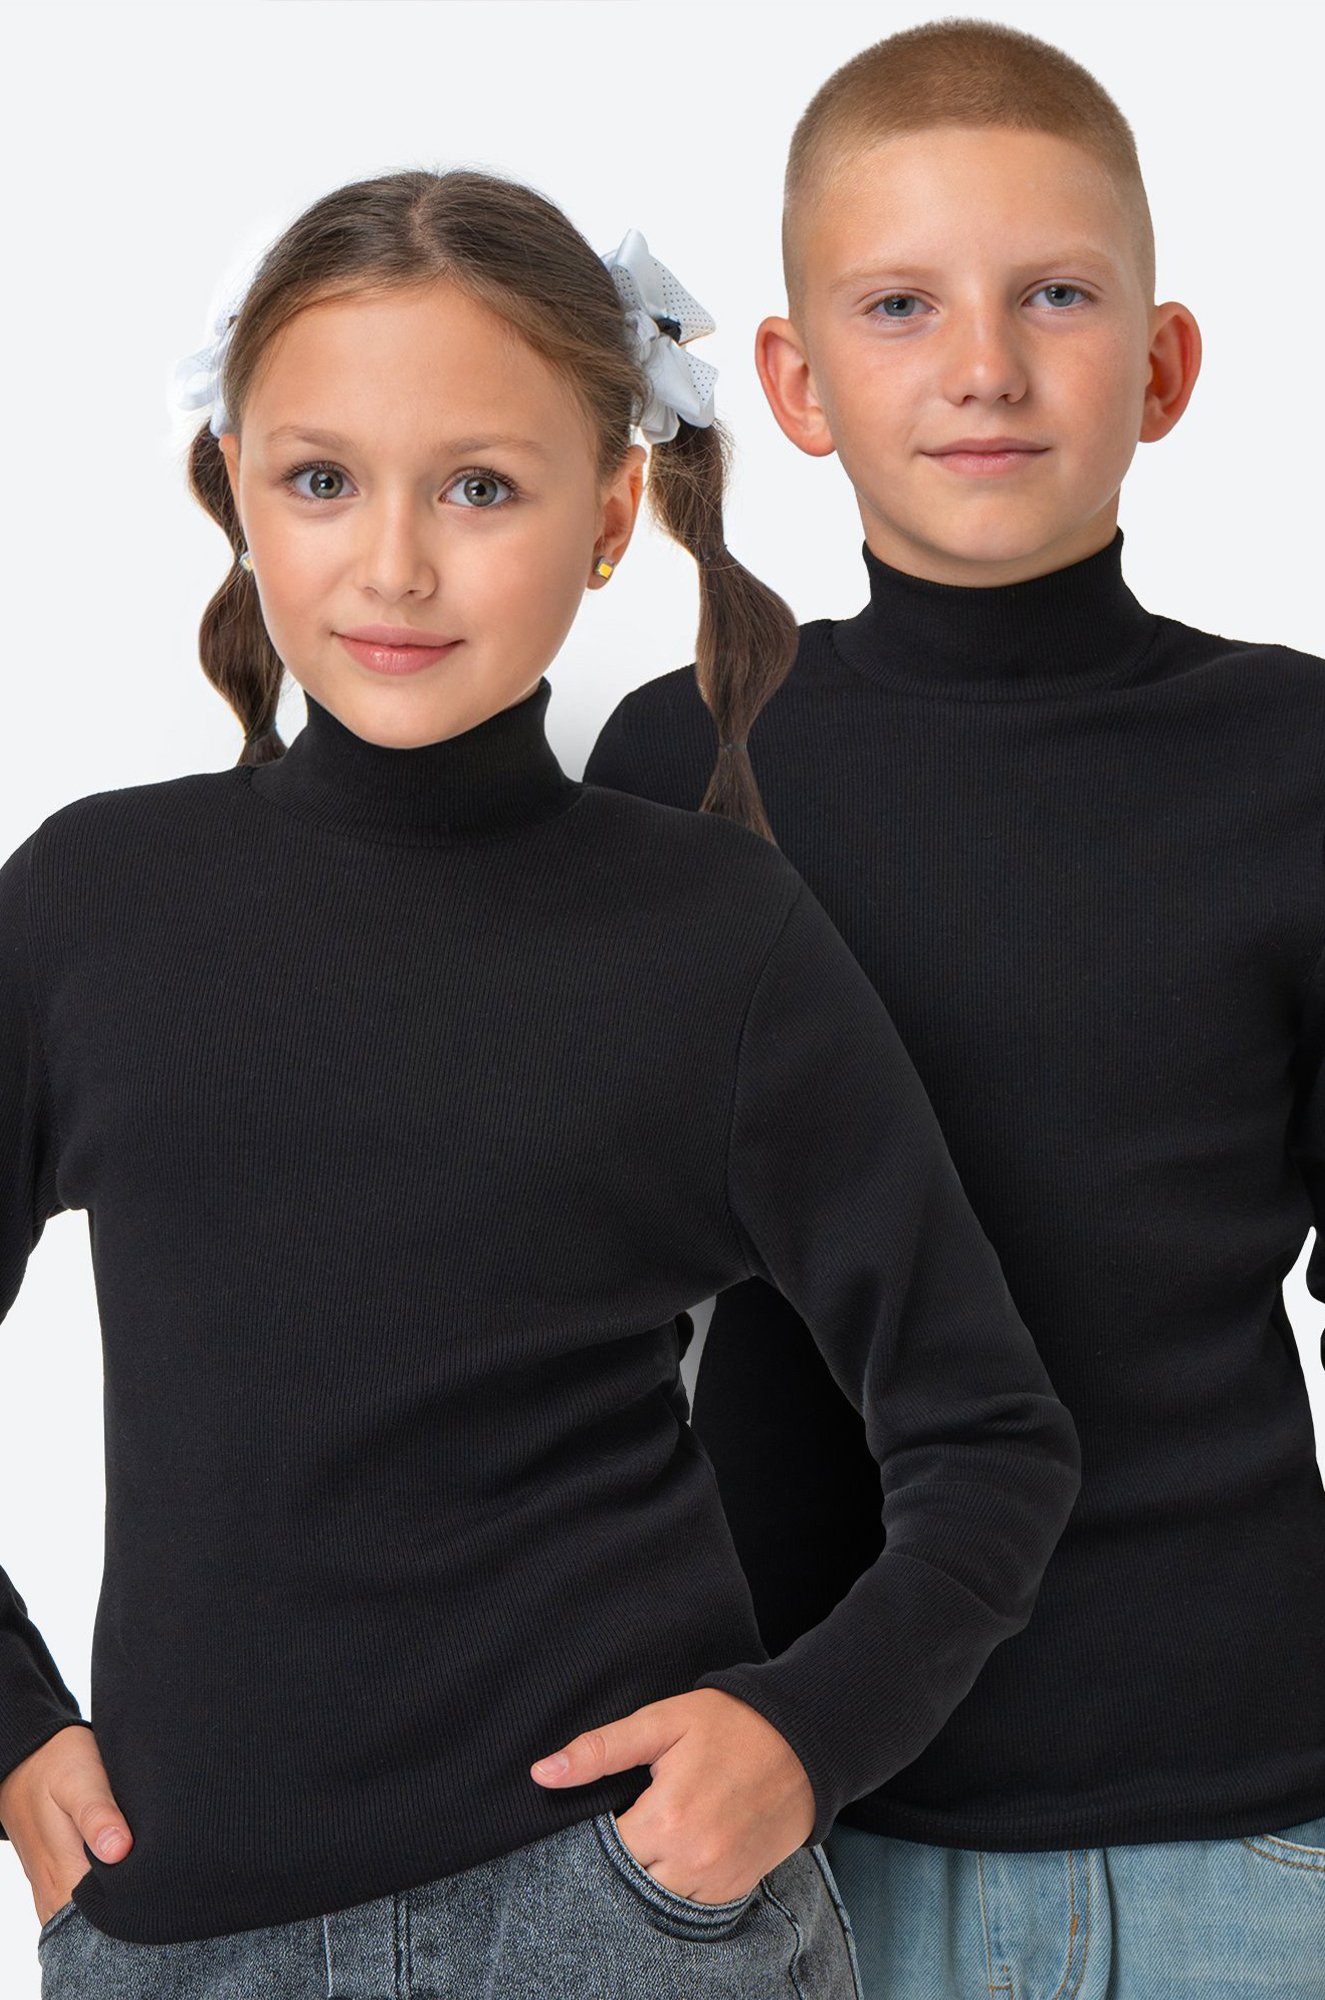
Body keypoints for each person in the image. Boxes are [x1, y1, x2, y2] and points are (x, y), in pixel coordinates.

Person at [0, 164, 1081, 1999]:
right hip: (182, 1924)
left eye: (480, 487)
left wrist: (805, 1734)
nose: (394, 565)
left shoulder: (718, 934)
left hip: (629, 1915)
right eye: (321, 480)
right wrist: (14, 1724)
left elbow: (989, 1438)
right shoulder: (91, 905)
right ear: (237, 488)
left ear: (609, 517)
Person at [583, 17, 1325, 1996]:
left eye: (1055, 296)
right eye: (900, 304)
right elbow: (555, 1299)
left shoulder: (1296, 762)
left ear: (1161, 365)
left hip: (1237, 1831)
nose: (983, 366)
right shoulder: (676, 762)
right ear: (794, 382)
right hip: (766, 1823)